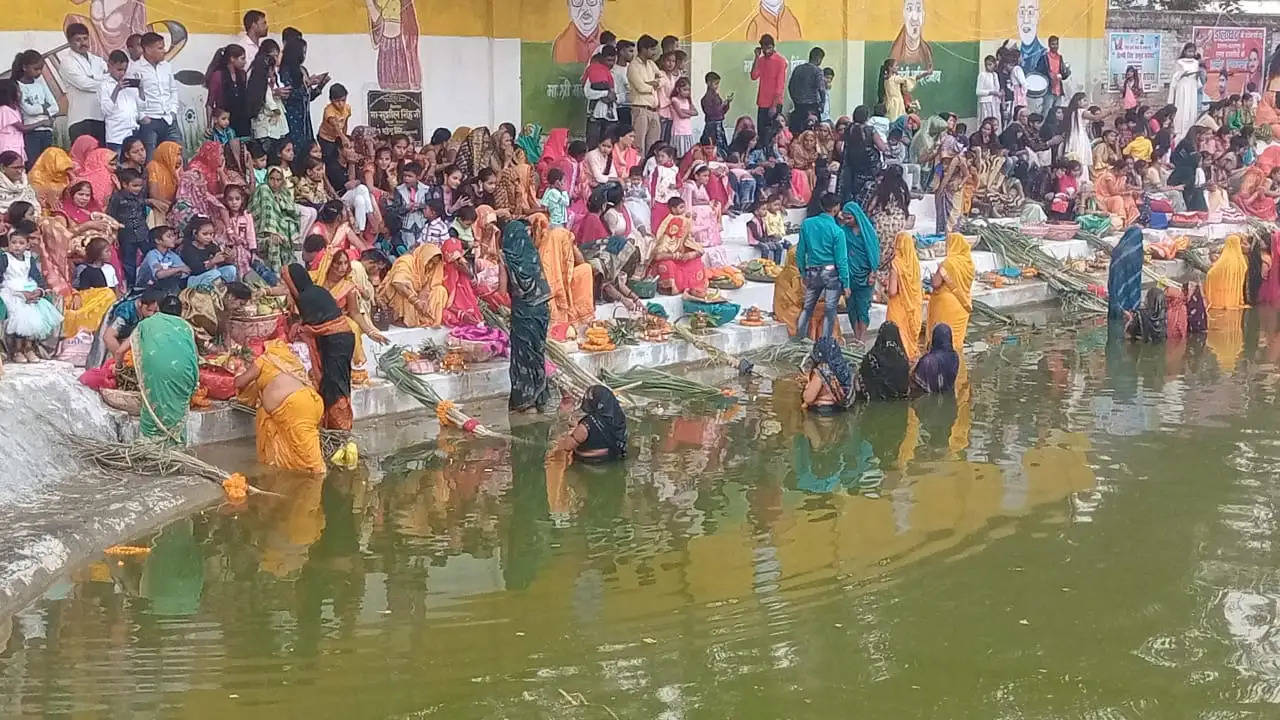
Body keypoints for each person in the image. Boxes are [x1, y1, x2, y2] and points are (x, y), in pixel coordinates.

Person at [234, 339, 326, 474]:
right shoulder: (291, 362)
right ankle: (298, 485)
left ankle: (315, 487)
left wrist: (237, 374)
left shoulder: (265, 360)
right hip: (310, 401)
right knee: (299, 453)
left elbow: (240, 382)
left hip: (296, 407)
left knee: (313, 465)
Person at [282, 263, 355, 429]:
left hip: (336, 341)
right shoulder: (316, 290)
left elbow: (311, 326)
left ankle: (340, 427)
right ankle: (335, 425)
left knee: (334, 384)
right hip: (340, 339)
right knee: (337, 381)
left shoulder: (306, 297)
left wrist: (299, 328)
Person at [120, 305, 198, 443]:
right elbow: (193, 356)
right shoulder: (185, 326)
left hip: (156, 376)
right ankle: (176, 451)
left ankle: (151, 451)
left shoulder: (145, 325)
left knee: (153, 407)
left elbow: (120, 351)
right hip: (184, 375)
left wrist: (119, 369)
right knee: (177, 411)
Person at [502, 219, 554, 413]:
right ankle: (540, 398)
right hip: (541, 312)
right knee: (537, 352)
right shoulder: (532, 255)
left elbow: (501, 291)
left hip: (523, 314)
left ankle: (525, 401)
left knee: (522, 356)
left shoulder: (507, 258)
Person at [0, 222, 62, 362]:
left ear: (27, 245)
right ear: (8, 243)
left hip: (29, 287)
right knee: (21, 313)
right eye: (13, 242)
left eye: (21, 243)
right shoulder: (5, 258)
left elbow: (36, 276)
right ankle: (17, 350)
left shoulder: (29, 258)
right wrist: (20, 294)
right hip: (11, 290)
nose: (17, 246)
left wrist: (39, 291)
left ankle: (28, 348)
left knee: (36, 311)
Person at [794, 193, 850, 339]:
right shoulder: (837, 231)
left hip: (812, 270)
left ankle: (799, 340)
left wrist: (802, 272)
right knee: (830, 310)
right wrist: (846, 283)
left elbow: (800, 251)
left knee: (807, 308)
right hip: (831, 272)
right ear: (836, 208)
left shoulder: (807, 224)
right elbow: (841, 260)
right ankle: (825, 344)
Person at [127, 32, 182, 158]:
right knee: (150, 159)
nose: (164, 51)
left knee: (177, 156)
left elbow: (173, 90)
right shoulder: (135, 69)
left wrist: (173, 111)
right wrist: (142, 116)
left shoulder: (166, 66)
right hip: (149, 120)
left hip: (169, 119)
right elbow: (131, 96)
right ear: (147, 49)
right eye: (160, 48)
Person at [278, 36, 328, 155]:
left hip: (305, 121)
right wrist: (307, 84)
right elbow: (289, 93)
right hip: (292, 118)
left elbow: (307, 97)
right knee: (295, 151)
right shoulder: (285, 71)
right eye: (303, 52)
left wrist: (320, 86)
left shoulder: (302, 70)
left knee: (307, 151)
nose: (304, 55)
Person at [61, 23, 109, 144]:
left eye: (85, 38)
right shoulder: (67, 62)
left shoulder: (98, 60)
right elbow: (83, 84)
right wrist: (105, 82)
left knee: (101, 159)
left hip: (100, 117)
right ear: (69, 42)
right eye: (78, 40)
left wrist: (99, 81)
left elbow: (110, 78)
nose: (83, 43)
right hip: (80, 119)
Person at [65, 236, 121, 338]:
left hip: (111, 302)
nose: (110, 254)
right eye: (106, 251)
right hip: (96, 304)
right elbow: (85, 292)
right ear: (97, 253)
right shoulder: (85, 270)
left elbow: (115, 287)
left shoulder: (110, 268)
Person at [926, 232, 974, 350]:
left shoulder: (948, 263)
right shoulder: (970, 264)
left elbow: (936, 284)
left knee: (941, 341)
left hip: (945, 304)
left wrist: (936, 272)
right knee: (955, 343)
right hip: (962, 305)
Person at [650, 197, 707, 295]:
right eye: (681, 207)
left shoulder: (683, 231)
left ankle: (694, 287)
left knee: (696, 261)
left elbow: (699, 250)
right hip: (670, 261)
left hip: (681, 261)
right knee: (668, 265)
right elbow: (657, 256)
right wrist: (675, 256)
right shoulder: (666, 237)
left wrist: (691, 255)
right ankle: (671, 288)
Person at [556, 385, 627, 461]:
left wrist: (563, 429)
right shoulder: (619, 417)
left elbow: (567, 446)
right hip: (612, 458)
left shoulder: (587, 425)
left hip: (588, 463)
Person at [12, 51, 57, 169]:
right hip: (32, 132)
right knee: (34, 165)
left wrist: (43, 109)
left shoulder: (41, 84)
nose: (39, 72)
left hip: (47, 130)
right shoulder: (18, 86)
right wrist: (44, 108)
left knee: (47, 166)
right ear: (24, 67)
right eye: (36, 69)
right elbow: (28, 110)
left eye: (41, 69)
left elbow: (55, 107)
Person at [841, 200, 879, 342]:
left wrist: (873, 271)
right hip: (849, 276)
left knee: (863, 308)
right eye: (844, 218)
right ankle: (856, 335)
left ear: (857, 216)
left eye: (849, 218)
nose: (846, 221)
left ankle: (861, 338)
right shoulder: (843, 231)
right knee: (852, 308)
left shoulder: (867, 232)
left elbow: (873, 252)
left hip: (865, 276)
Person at [248, 166, 300, 270]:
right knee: (274, 240)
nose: (274, 182)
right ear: (267, 178)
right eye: (271, 179)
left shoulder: (284, 193)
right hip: (261, 233)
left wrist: (280, 201)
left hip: (282, 230)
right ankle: (276, 276)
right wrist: (272, 232)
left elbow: (294, 212)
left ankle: (286, 274)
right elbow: (258, 212)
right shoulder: (263, 189)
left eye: (278, 179)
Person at [883, 230, 922, 359]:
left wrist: (886, 286)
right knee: (909, 343)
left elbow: (893, 291)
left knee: (897, 339)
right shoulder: (914, 262)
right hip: (913, 306)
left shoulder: (896, 263)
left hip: (898, 306)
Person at [627, 35, 662, 156]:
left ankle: (650, 170)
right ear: (643, 49)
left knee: (654, 145)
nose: (654, 52)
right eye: (652, 49)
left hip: (654, 110)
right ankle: (638, 171)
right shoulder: (633, 66)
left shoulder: (652, 64)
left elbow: (663, 80)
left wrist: (654, 83)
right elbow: (640, 88)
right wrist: (653, 86)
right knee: (639, 145)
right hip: (640, 109)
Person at [99, 51, 142, 152]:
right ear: (109, 66)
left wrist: (141, 89)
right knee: (117, 166)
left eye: (125, 70)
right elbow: (106, 111)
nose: (122, 73)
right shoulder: (104, 85)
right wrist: (117, 89)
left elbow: (141, 108)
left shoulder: (129, 83)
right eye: (119, 69)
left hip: (133, 134)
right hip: (116, 137)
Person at [751, 35, 788, 148]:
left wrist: (774, 105)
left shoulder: (780, 61)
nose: (767, 51)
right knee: (762, 133)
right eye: (764, 48)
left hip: (774, 103)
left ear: (773, 47)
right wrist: (756, 57)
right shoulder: (761, 60)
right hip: (762, 102)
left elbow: (780, 85)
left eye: (769, 48)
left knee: (772, 135)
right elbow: (753, 76)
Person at [858, 321, 911, 400]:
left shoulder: (871, 358)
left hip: (873, 403)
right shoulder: (903, 360)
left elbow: (862, 380)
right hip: (899, 405)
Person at [802, 336, 854, 412]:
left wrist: (806, 387)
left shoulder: (821, 372)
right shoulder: (845, 369)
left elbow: (808, 398)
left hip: (822, 411)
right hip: (838, 410)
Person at [1107, 226, 1144, 321]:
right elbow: (1134, 280)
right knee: (1126, 327)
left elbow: (1114, 276)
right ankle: (1129, 312)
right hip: (1129, 299)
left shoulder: (1118, 250)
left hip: (1115, 295)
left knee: (1115, 326)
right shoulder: (1135, 252)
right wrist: (1133, 305)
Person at [911, 324, 959, 394]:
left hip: (925, 399)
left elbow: (915, 385)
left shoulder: (927, 361)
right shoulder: (955, 356)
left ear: (935, 338)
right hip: (947, 394)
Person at [1169, 43, 1201, 145]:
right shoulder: (1179, 62)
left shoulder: (1196, 63)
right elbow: (1175, 77)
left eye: (1192, 51)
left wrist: (1197, 76)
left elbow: (1198, 82)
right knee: (1181, 111)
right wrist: (1183, 74)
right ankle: (1179, 136)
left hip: (1192, 88)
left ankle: (1189, 135)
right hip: (1182, 88)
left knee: (1191, 111)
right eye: (1189, 51)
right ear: (1184, 51)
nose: (1191, 53)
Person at [1205, 234, 1247, 310]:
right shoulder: (1241, 260)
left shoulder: (1225, 259)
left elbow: (1211, 273)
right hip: (1234, 295)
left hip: (1222, 294)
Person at [789, 47, 826, 134]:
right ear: (818, 59)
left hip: (798, 105)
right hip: (812, 106)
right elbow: (821, 89)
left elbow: (790, 86)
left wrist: (795, 99)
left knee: (798, 132)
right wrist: (822, 103)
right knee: (813, 132)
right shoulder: (817, 71)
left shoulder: (798, 69)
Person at [976, 56, 1001, 130]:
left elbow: (997, 88)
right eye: (986, 65)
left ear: (994, 64)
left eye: (990, 64)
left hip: (994, 103)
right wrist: (991, 92)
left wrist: (999, 94)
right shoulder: (982, 75)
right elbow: (978, 91)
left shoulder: (995, 75)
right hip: (985, 103)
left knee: (995, 123)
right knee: (986, 123)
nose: (988, 67)